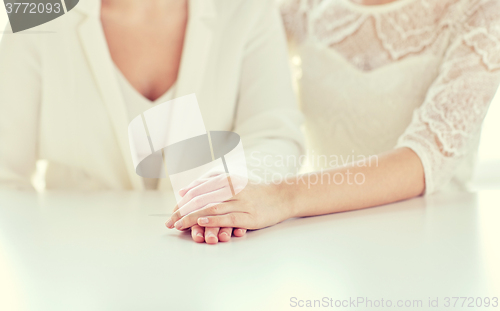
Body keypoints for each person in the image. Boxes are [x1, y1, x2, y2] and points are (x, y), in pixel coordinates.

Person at [166, 0, 500, 232]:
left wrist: (280, 197)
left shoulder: (481, 12)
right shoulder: (304, 8)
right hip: (328, 235)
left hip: (436, 235)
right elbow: (242, 88)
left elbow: (423, 161)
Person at [0, 0, 304, 244]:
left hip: (212, 254)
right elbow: (5, 175)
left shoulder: (248, 9)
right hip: (73, 258)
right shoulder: (33, 12)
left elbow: (274, 134)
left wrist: (230, 193)